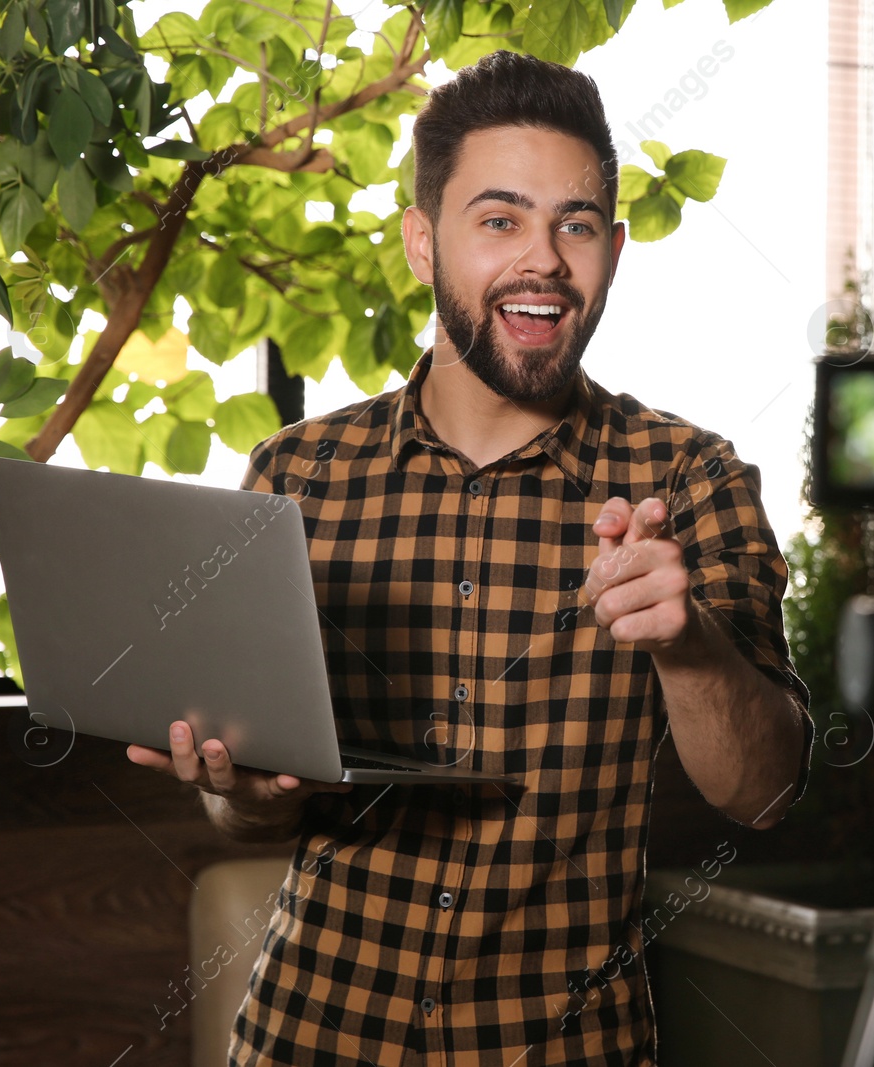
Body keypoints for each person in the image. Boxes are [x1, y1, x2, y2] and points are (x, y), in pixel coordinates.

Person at [126, 50, 813, 1067]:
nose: (542, 258)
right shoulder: (297, 470)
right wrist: (241, 784)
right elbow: (238, 810)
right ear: (421, 241)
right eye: (500, 220)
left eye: (573, 223)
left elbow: (763, 789)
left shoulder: (689, 475)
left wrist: (691, 644)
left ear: (613, 251)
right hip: (311, 1036)